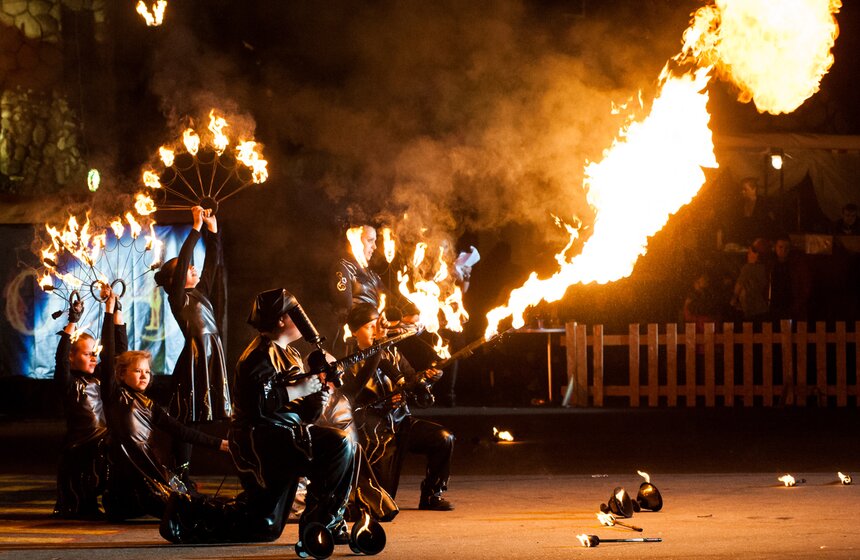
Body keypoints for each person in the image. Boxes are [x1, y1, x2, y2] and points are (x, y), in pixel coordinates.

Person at [225, 288, 356, 544]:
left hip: (289, 433)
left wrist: (319, 397)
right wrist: (298, 389)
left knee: (344, 446)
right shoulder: (258, 356)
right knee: (264, 527)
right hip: (262, 438)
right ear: (281, 319)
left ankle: (324, 524)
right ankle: (321, 526)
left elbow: (305, 414)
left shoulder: (292, 354)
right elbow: (257, 406)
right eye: (294, 313)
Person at [101, 286, 229, 522]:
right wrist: (108, 311)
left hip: (150, 473)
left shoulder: (149, 404)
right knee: (184, 511)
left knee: (193, 503)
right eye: (137, 371)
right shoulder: (114, 395)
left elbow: (180, 430)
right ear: (120, 375)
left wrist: (220, 444)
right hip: (130, 484)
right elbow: (111, 354)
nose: (144, 376)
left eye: (147, 372)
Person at [344, 303, 455, 511]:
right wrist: (381, 404)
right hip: (375, 434)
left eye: (379, 326)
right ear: (353, 331)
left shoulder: (393, 354)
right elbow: (351, 400)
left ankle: (432, 495)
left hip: (401, 422)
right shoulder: (348, 360)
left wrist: (428, 380)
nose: (378, 331)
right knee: (382, 501)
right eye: (369, 327)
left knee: (443, 437)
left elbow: (412, 382)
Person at [153, 205, 231, 484]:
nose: (192, 268)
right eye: (185, 269)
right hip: (195, 358)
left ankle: (183, 470)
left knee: (196, 417)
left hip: (211, 356)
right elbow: (186, 258)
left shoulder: (201, 292)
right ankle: (180, 470)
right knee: (186, 417)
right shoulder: (178, 299)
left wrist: (212, 229)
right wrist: (195, 227)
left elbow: (212, 261)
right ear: (176, 280)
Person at [53, 289, 126, 519]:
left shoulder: (100, 379)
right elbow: (61, 359)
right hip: (80, 444)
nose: (94, 357)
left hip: (102, 440)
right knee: (80, 496)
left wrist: (115, 312)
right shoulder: (67, 382)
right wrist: (72, 323)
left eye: (95, 353)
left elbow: (118, 354)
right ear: (73, 357)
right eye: (87, 354)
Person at [331, 224, 385, 328]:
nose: (374, 247)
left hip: (376, 332)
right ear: (356, 240)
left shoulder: (372, 274)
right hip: (359, 336)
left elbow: (389, 299)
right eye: (370, 240)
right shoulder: (343, 268)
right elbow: (345, 309)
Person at [769, 235, 811, 321]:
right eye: (780, 247)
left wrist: (797, 306)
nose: (783, 250)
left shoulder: (797, 266)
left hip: (791, 308)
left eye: (787, 247)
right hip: (774, 307)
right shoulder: (770, 265)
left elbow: (805, 287)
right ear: (775, 247)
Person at [730, 238, 771, 323]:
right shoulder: (766, 269)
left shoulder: (748, 269)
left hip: (751, 312)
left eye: (751, 251)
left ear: (757, 255)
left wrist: (731, 304)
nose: (748, 253)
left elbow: (736, 291)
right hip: (764, 311)